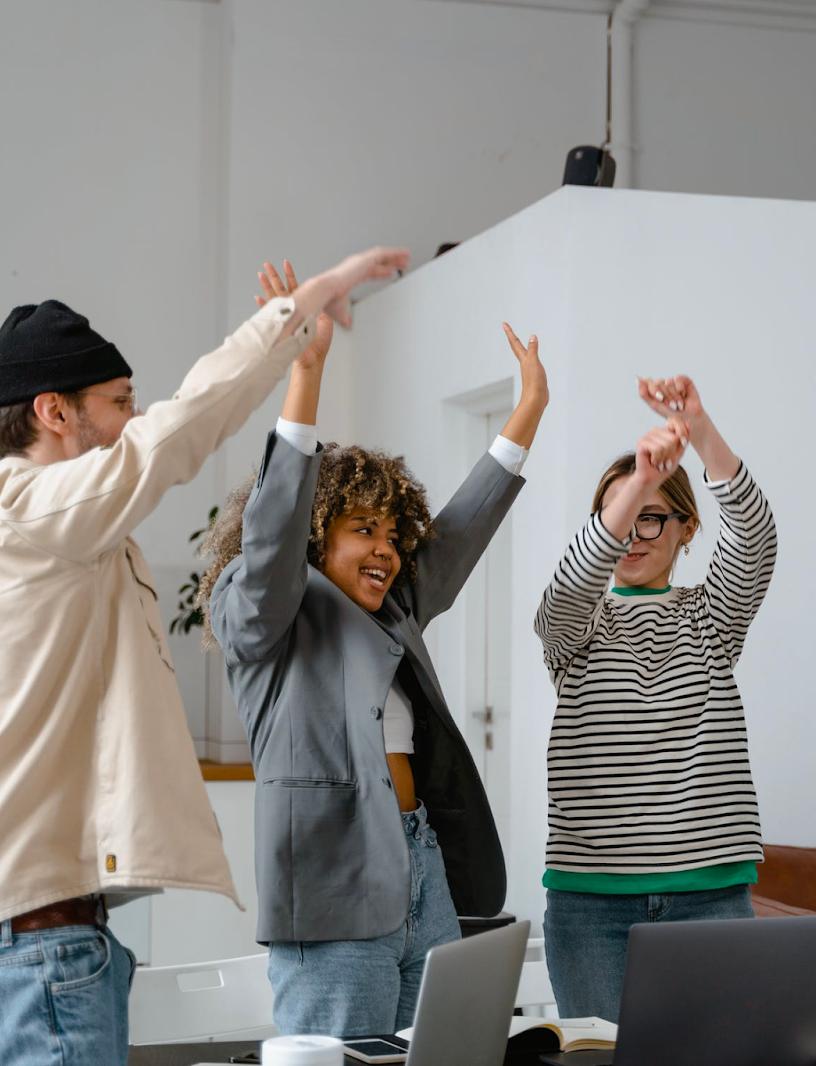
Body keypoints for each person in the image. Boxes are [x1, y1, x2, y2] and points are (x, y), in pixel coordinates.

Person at [0, 247, 409, 1066]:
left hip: (18, 957)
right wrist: (299, 312)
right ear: (53, 412)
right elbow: (172, 438)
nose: (132, 422)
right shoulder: (30, 519)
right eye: (116, 403)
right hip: (27, 965)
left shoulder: (27, 545)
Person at [199, 262, 550, 1037]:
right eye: (364, 530)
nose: (387, 550)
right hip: (332, 890)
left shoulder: (391, 608)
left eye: (394, 534)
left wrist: (525, 415)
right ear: (316, 535)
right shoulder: (258, 612)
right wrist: (307, 375)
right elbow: (272, 541)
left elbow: (454, 539)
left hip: (421, 865)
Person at [534, 375, 777, 1021]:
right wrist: (641, 480)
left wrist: (699, 431)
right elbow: (567, 591)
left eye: (652, 515)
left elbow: (756, 542)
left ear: (687, 527)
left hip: (711, 900)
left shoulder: (711, 618)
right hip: (591, 909)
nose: (633, 537)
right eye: (618, 520)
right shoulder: (576, 627)